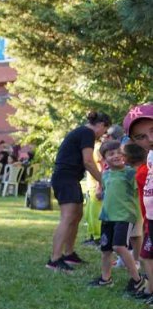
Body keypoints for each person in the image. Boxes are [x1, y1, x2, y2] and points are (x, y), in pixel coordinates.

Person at [48, 111, 110, 271]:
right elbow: (88, 162)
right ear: (102, 125)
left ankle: (69, 254)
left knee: (77, 215)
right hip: (65, 177)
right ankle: (54, 259)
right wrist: (103, 181)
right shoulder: (87, 133)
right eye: (105, 130)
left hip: (71, 178)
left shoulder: (83, 132)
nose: (103, 135)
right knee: (68, 217)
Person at [87, 141, 143, 293]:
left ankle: (138, 280)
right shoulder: (105, 175)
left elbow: (140, 191)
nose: (116, 155)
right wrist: (100, 193)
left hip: (124, 216)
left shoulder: (130, 173)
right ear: (104, 159)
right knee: (106, 250)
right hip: (107, 217)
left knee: (119, 246)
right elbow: (106, 191)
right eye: (111, 154)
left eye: (119, 152)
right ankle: (106, 279)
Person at [123, 103, 153, 307]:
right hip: (151, 219)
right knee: (146, 256)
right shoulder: (150, 156)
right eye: (141, 136)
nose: (150, 140)